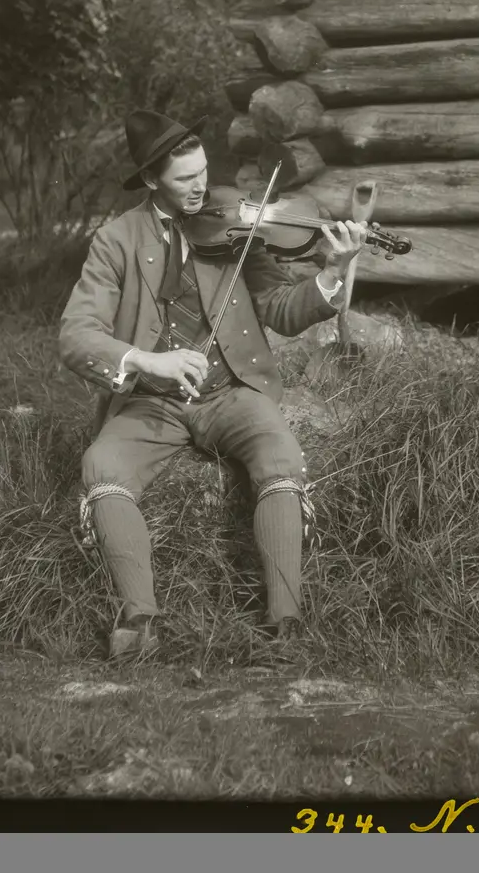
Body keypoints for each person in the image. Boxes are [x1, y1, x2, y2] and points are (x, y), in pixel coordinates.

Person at [60, 109, 366, 660]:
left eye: (204, 170)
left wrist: (332, 272)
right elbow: (76, 335)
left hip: (231, 391)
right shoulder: (116, 240)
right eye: (185, 178)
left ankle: (285, 624)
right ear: (151, 179)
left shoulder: (236, 226)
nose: (201, 186)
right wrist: (147, 361)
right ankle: (139, 621)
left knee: (280, 456)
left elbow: (282, 309)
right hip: (152, 401)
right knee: (102, 467)